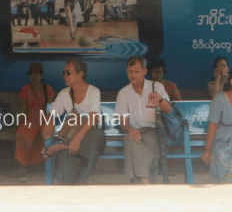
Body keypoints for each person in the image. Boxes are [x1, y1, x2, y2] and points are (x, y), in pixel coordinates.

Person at [41, 59, 106, 185]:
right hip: (74, 144)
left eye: (68, 72)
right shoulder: (64, 94)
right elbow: (51, 114)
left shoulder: (93, 91)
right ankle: (70, 189)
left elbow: (93, 119)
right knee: (66, 156)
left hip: (92, 141)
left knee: (97, 134)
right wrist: (49, 122)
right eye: (64, 72)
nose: (65, 75)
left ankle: (59, 147)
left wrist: (77, 138)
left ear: (80, 75)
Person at [117, 56, 173, 184]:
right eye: (130, 71)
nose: (133, 75)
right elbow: (123, 122)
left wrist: (159, 99)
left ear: (144, 71)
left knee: (132, 144)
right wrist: (131, 129)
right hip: (135, 132)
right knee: (130, 139)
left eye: (136, 72)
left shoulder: (156, 87)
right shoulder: (123, 93)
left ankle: (140, 180)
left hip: (154, 133)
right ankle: (144, 179)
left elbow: (169, 110)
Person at [14, 62, 56, 177]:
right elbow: (23, 108)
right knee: (21, 134)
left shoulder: (47, 88)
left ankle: (49, 167)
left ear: (41, 76)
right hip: (30, 119)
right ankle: (22, 167)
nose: (34, 77)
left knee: (47, 135)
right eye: (32, 75)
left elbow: (50, 109)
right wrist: (18, 123)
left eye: (37, 75)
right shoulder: (25, 89)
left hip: (44, 119)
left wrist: (49, 124)